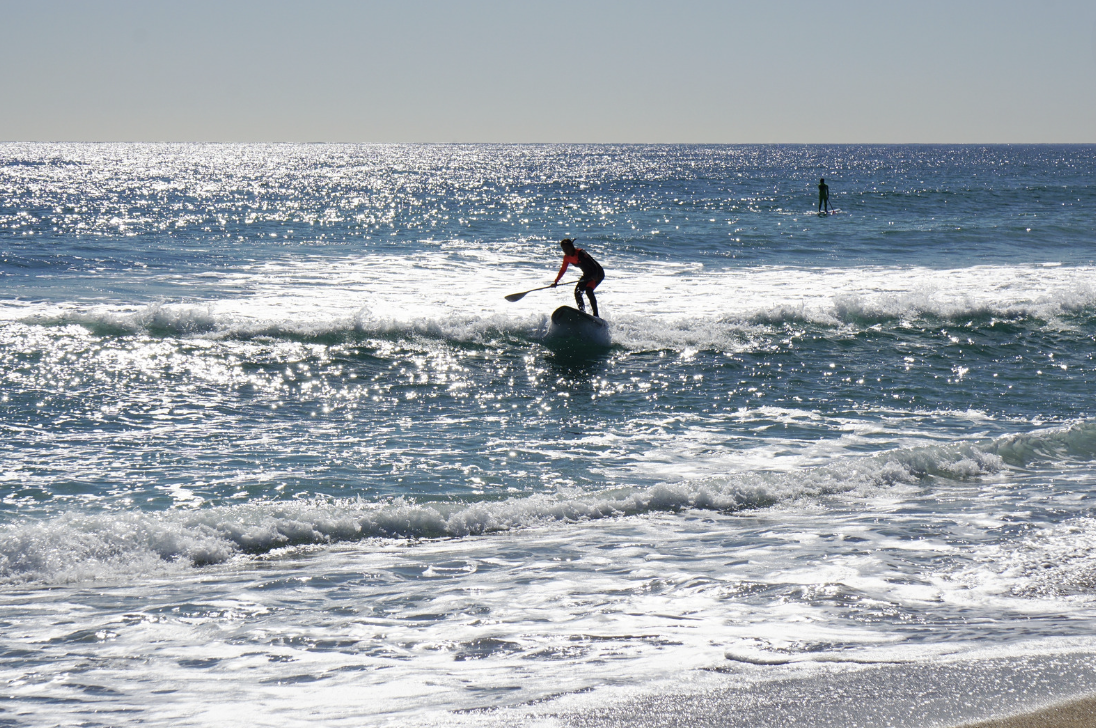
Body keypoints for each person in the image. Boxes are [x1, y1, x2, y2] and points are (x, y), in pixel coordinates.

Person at [551, 238, 604, 318]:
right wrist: (556, 282)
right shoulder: (566, 257)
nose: (565, 251)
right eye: (563, 249)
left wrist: (595, 276)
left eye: (567, 248)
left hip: (597, 273)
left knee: (588, 290)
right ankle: (582, 312)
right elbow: (563, 270)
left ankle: (596, 315)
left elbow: (594, 266)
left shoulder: (581, 253)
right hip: (587, 275)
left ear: (572, 247)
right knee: (577, 292)